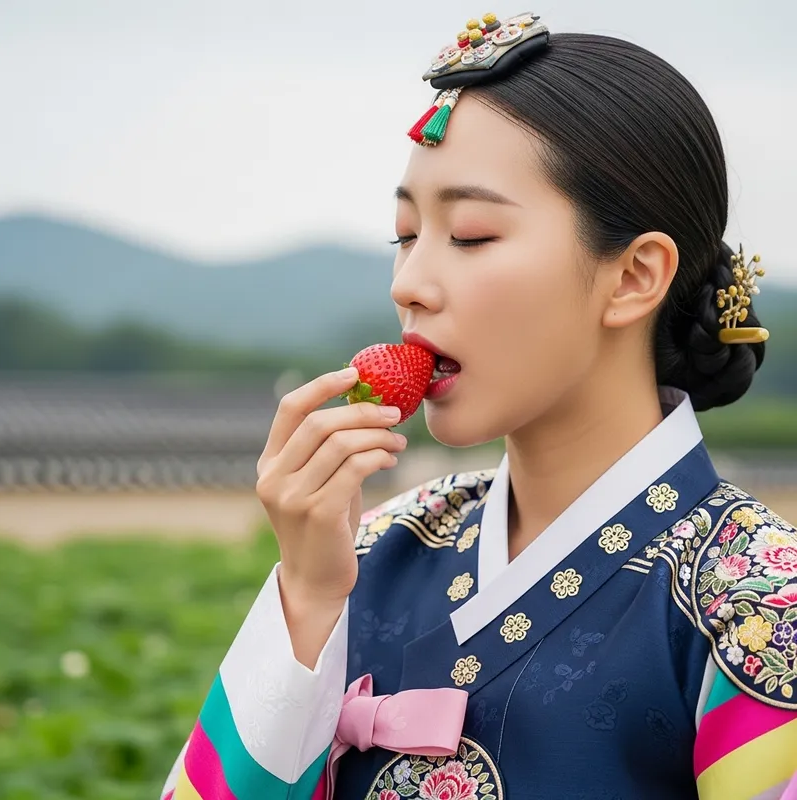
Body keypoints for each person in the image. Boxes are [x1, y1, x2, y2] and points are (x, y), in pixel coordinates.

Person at [161, 14, 797, 800]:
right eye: (404, 235)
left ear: (634, 276)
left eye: (468, 235)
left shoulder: (760, 606)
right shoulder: (371, 551)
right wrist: (308, 596)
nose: (409, 284)